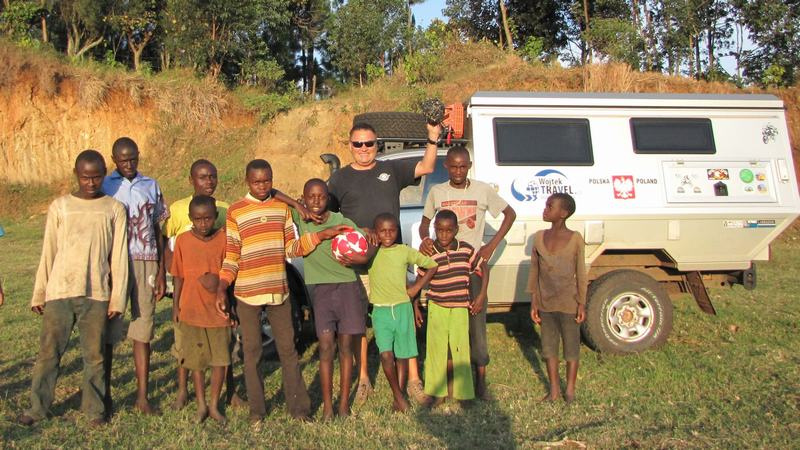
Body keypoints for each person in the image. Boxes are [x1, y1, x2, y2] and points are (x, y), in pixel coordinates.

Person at [215, 159, 347, 422]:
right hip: (247, 294)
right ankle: (257, 412)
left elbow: (291, 248)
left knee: (289, 351)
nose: (262, 186)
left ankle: (299, 410)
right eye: (256, 182)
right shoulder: (236, 211)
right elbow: (232, 255)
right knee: (252, 354)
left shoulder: (281, 208)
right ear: (247, 181)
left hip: (279, 292)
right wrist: (222, 287)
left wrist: (320, 236)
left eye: (267, 181)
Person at [328, 121, 440, 404]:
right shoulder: (339, 179)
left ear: (377, 144)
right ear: (350, 145)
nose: (363, 148)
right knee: (359, 321)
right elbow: (330, 218)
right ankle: (364, 379)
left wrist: (433, 137)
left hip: (391, 260)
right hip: (359, 265)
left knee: (403, 318)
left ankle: (413, 380)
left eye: (369, 143)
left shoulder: (391, 170)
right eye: (358, 144)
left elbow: (427, 167)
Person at [18, 150, 128, 426]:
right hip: (60, 291)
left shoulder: (113, 208)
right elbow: (49, 251)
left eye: (97, 177)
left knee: (95, 356)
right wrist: (40, 292)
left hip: (97, 293)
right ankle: (37, 408)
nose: (91, 183)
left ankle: (94, 410)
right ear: (76, 175)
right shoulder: (61, 206)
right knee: (49, 353)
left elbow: (118, 257)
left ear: (104, 175)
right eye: (85, 177)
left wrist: (117, 299)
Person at [419, 145, 517, 400]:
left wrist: (491, 245)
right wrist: (425, 239)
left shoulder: (482, 190)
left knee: (476, 325)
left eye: (463, 166)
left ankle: (480, 382)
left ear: (469, 167)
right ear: (446, 166)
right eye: (453, 166)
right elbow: (424, 223)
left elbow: (510, 214)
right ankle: (448, 383)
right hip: (445, 269)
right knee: (447, 329)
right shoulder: (437, 192)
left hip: (470, 267)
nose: (458, 171)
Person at [102, 137, 168, 415]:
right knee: (108, 329)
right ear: (114, 159)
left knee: (143, 328)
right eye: (123, 160)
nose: (129, 164)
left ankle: (142, 397)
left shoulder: (150, 185)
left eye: (133, 158)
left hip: (146, 263)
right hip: (114, 263)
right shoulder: (104, 185)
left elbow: (158, 230)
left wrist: (161, 271)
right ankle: (104, 395)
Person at [345, 213, 438, 412]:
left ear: (397, 231)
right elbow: (352, 254)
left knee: (402, 355)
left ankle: (399, 397)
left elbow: (432, 265)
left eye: (392, 230)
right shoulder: (371, 252)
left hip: (403, 309)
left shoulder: (404, 251)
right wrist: (362, 233)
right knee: (386, 355)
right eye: (382, 231)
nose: (387, 234)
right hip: (381, 312)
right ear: (375, 232)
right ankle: (398, 395)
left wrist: (416, 288)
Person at [291, 179, 364, 419]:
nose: (316, 201)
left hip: (347, 287)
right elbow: (273, 193)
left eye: (321, 196)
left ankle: (342, 405)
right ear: (303, 197)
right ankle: (327, 407)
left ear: (328, 198)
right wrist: (296, 205)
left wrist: (359, 258)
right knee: (325, 346)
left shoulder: (342, 221)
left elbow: (364, 244)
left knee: (345, 346)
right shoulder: (301, 218)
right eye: (310, 196)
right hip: (321, 291)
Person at [170, 195, 231, 423]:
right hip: (191, 310)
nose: (203, 224)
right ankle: (201, 405)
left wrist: (231, 307)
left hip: (217, 311)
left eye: (208, 218)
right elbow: (178, 276)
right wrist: (176, 305)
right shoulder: (183, 241)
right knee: (196, 362)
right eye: (198, 219)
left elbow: (230, 273)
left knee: (220, 360)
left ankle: (214, 405)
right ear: (190, 218)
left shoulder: (224, 240)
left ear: (216, 217)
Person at [419, 210, 488, 406]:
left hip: (459, 307)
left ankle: (463, 393)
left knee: (460, 349)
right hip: (437, 306)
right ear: (434, 229)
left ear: (456, 230)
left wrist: (481, 295)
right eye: (439, 230)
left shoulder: (465, 250)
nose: (444, 235)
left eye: (449, 230)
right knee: (436, 350)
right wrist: (415, 304)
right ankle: (437, 393)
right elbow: (420, 278)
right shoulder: (429, 252)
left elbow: (483, 267)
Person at [527, 193, 587, 404]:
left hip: (569, 302)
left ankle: (569, 390)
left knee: (571, 347)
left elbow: (581, 273)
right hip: (546, 303)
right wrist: (534, 300)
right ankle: (553, 389)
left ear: (563, 213)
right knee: (549, 348)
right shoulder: (539, 237)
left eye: (550, 206)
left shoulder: (575, 239)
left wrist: (581, 303)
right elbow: (534, 270)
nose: (545, 209)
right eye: (546, 205)